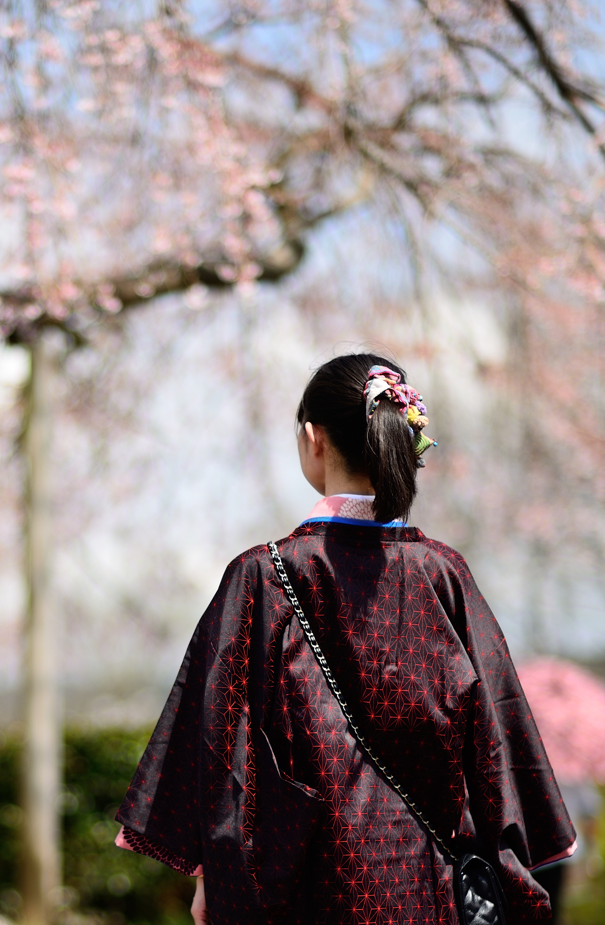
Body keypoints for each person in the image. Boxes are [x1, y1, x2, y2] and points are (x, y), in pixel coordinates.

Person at [115, 354, 576, 924]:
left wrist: (212, 874)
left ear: (313, 440)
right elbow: (499, 743)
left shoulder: (262, 577)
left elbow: (219, 748)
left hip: (305, 894)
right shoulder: (445, 576)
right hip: (426, 890)